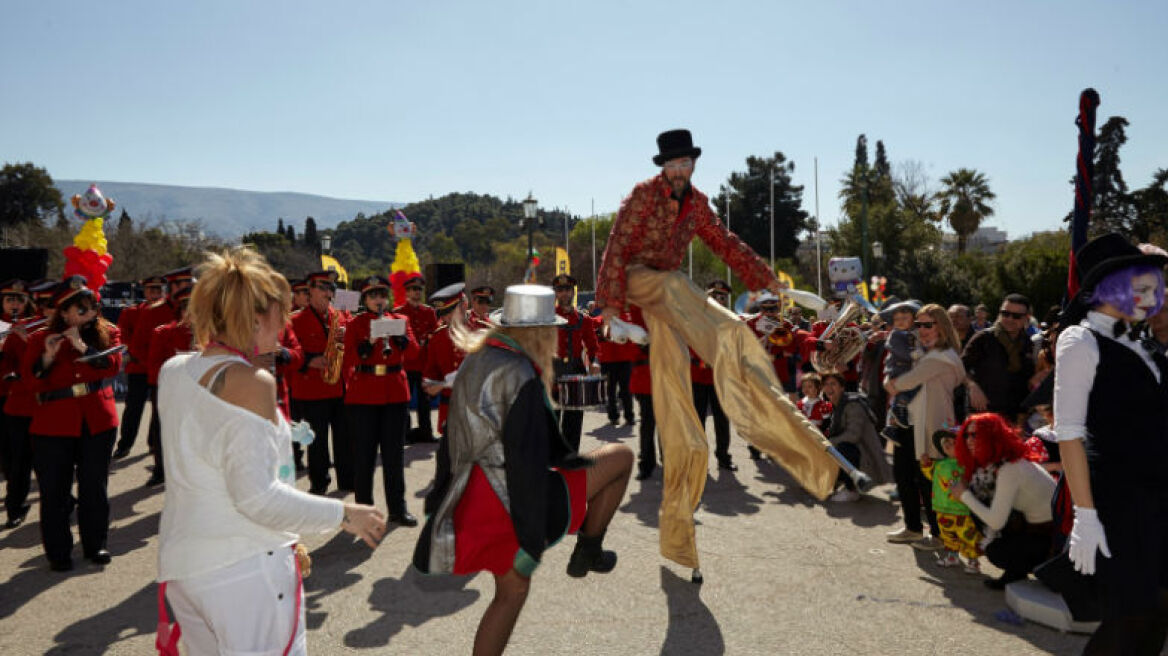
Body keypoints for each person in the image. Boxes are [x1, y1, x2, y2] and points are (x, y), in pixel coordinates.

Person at [595, 128, 839, 575]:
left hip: (667, 304)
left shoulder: (698, 203)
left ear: (692, 165)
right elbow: (614, 248)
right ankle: (728, 338)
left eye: (687, 164)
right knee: (677, 285)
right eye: (674, 164)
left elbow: (725, 242)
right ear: (662, 166)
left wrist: (765, 279)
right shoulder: (642, 197)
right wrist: (610, 309)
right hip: (639, 280)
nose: (681, 171)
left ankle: (679, 530)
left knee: (679, 413)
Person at [157, 247, 386, 655]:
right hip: (243, 569)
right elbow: (257, 498)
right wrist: (344, 513)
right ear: (257, 317)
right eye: (280, 313)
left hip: (185, 568)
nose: (284, 324)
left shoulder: (174, 370)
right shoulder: (251, 381)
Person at [413, 284, 633, 656]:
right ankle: (589, 550)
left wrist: (440, 497)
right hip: (504, 498)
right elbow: (525, 464)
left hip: (471, 492)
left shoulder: (479, 357)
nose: (555, 336)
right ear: (537, 331)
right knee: (622, 457)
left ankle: (589, 550)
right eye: (552, 329)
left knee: (511, 593)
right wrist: (529, 540)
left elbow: (453, 439)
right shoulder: (519, 373)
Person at [1052, 233, 1168, 653]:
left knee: (1158, 612)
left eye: (1154, 289)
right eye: (1141, 289)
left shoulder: (1139, 343)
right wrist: (1084, 515)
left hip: (1157, 497)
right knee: (1131, 615)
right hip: (1119, 502)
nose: (1151, 298)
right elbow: (1068, 433)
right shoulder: (1080, 340)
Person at [22, 276, 123, 570]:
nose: (88, 313)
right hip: (53, 423)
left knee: (94, 486)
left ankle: (96, 545)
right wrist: (48, 357)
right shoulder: (39, 339)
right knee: (54, 490)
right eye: (80, 308)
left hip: (96, 419)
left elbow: (112, 366)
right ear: (63, 312)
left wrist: (83, 348)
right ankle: (58, 552)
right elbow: (31, 382)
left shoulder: (107, 332)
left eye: (91, 307)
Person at [884, 303, 966, 550]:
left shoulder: (942, 357)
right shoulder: (926, 354)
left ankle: (939, 536)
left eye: (928, 325)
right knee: (903, 476)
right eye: (918, 325)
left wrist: (892, 380)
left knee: (928, 482)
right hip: (909, 424)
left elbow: (902, 383)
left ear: (941, 326)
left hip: (931, 429)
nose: (922, 330)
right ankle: (913, 529)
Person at [343, 275, 419, 526]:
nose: (378, 300)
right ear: (365, 299)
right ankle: (363, 512)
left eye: (382, 295)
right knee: (364, 456)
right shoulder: (356, 324)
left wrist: (399, 337)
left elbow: (415, 353)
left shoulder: (401, 320)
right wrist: (371, 340)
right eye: (373, 295)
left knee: (393, 455)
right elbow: (351, 358)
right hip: (364, 394)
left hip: (394, 393)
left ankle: (398, 509)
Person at [951, 413, 1055, 590]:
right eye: (966, 435)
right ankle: (1015, 571)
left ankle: (1026, 568)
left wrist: (963, 495)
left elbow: (996, 521)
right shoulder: (1000, 463)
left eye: (975, 435)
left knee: (996, 551)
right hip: (1035, 529)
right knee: (980, 500)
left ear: (992, 437)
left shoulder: (1009, 468)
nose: (969, 440)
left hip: (1051, 539)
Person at [131, 267, 195, 486]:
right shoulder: (154, 315)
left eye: (189, 283)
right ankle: (160, 469)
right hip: (166, 382)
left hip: (198, 387)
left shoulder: (209, 324)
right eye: (182, 285)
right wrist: (161, 369)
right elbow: (139, 346)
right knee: (161, 427)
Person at [289, 270, 351, 495]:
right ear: (310, 290)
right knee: (318, 441)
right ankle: (319, 483)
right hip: (312, 389)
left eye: (330, 289)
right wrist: (308, 361)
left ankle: (347, 479)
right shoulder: (295, 320)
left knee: (344, 437)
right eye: (322, 288)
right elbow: (288, 350)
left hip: (339, 385)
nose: (328, 293)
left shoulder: (341, 316)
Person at [962, 294, 1036, 425]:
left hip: (1012, 417)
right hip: (982, 414)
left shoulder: (1027, 343)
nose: (1009, 319)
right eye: (1005, 313)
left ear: (1026, 318)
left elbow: (1024, 382)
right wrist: (972, 386)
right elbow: (960, 367)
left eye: (1016, 316)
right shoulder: (984, 338)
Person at [113, 275, 165, 458]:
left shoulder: (167, 312)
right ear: (145, 291)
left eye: (158, 290)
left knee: (159, 409)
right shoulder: (131, 312)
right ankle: (125, 444)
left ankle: (154, 443)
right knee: (133, 408)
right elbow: (123, 336)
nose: (155, 293)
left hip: (159, 367)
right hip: (139, 367)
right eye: (152, 289)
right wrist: (140, 355)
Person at [820, 372, 891, 502]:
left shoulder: (853, 405)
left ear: (842, 387)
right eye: (826, 384)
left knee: (842, 447)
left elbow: (853, 435)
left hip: (866, 457)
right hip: (857, 452)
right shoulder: (835, 405)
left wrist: (829, 443)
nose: (829, 388)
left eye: (833, 384)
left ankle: (851, 489)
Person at [1, 279, 37, 528]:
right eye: (9, 299)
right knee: (11, 455)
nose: (14, 304)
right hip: (6, 395)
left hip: (27, 396)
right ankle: (14, 504)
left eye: (19, 299)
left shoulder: (34, 326)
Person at [551, 274, 600, 452]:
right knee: (552, 426)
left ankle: (571, 464)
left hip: (575, 376)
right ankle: (553, 467)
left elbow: (593, 347)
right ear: (556, 293)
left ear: (573, 292)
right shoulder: (547, 318)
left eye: (567, 290)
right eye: (560, 290)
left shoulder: (583, 320)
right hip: (552, 378)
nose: (564, 293)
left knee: (573, 425)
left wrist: (595, 363)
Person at [923, 429, 982, 573]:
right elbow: (931, 475)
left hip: (962, 509)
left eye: (953, 442)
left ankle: (973, 560)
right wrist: (926, 465)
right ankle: (952, 556)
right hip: (942, 508)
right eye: (945, 443)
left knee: (967, 534)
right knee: (947, 535)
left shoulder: (968, 464)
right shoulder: (939, 464)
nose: (948, 444)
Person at [693, 280, 735, 471]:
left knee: (722, 420)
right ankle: (700, 459)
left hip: (720, 377)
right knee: (698, 420)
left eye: (722, 297)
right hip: (698, 375)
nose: (719, 299)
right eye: (714, 295)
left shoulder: (730, 319)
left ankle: (723, 457)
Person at [394, 272, 438, 444]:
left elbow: (435, 333)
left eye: (419, 289)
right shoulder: (398, 312)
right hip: (406, 363)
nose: (416, 293)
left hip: (423, 364)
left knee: (424, 402)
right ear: (406, 292)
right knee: (404, 401)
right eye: (413, 289)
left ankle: (426, 432)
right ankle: (404, 434)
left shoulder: (429, 312)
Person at [422, 283, 470, 437]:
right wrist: (436, 386)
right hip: (449, 411)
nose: (446, 318)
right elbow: (429, 377)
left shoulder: (483, 332)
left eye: (450, 311)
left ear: (464, 305)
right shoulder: (438, 338)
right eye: (443, 313)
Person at [880, 300, 923, 440]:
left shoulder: (915, 334)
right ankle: (897, 412)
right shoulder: (896, 335)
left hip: (903, 369)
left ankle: (892, 425)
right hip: (898, 369)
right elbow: (903, 353)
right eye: (897, 319)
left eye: (905, 318)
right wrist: (915, 355)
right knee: (909, 389)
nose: (900, 322)